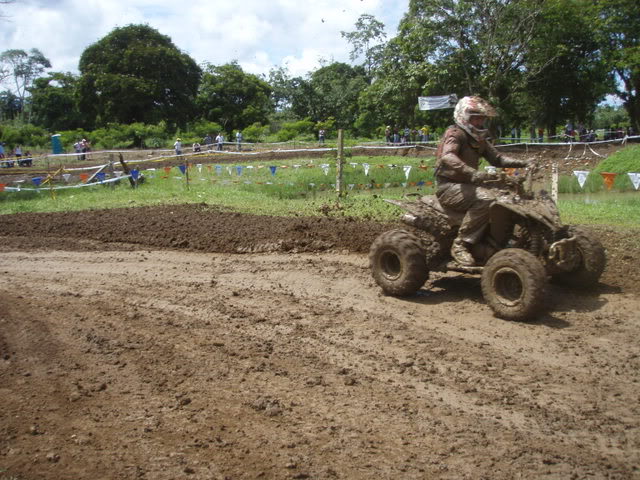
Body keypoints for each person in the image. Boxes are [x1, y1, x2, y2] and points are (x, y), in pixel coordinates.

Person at [435, 96, 529, 266]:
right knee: (486, 199)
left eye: (482, 118)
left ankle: (503, 238)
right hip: (448, 187)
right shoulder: (455, 134)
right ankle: (461, 244)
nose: (479, 122)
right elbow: (448, 156)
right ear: (464, 117)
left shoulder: (479, 140)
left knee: (507, 194)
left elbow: (498, 159)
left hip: (468, 185)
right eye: (475, 117)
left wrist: (524, 163)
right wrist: (471, 172)